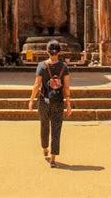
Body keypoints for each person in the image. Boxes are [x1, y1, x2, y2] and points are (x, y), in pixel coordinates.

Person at [28, 39, 72, 167]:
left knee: (44, 125)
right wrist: (68, 104)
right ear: (59, 52)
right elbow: (67, 88)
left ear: (47, 51)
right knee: (56, 129)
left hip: (43, 101)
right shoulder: (64, 67)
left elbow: (36, 85)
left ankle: (44, 148)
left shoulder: (42, 66)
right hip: (58, 101)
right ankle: (53, 159)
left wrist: (31, 100)